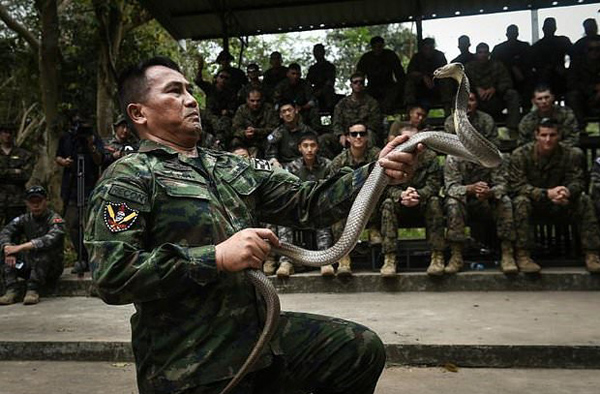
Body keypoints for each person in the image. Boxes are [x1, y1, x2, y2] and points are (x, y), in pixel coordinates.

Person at [85, 56, 419, 394]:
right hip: (191, 363)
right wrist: (215, 257)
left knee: (358, 349)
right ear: (139, 113)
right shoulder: (128, 176)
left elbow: (307, 202)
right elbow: (113, 276)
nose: (190, 99)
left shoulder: (229, 165)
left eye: (189, 89)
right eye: (174, 91)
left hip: (258, 340)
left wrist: (377, 172)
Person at [509, 118, 600, 274]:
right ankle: (523, 254)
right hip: (535, 202)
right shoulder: (521, 155)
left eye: (552, 135)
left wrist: (567, 192)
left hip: (562, 201)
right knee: (520, 202)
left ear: (559, 135)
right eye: (544, 135)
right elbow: (518, 186)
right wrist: (546, 194)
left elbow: (578, 181)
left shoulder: (572, 154)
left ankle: (592, 253)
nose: (548, 139)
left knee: (584, 200)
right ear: (536, 135)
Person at [380, 126, 445, 277]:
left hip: (423, 202)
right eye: (406, 140)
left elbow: (434, 185)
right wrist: (402, 195)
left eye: (415, 139)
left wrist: (417, 195)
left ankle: (437, 256)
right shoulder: (391, 157)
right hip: (400, 202)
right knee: (387, 204)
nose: (411, 143)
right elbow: (385, 188)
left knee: (435, 202)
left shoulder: (430, 157)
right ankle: (389, 258)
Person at [444, 153, 518, 275]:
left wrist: (489, 192)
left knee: (505, 201)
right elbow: (451, 188)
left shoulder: (496, 156)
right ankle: (456, 255)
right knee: (452, 203)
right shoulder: (454, 157)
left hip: (488, 203)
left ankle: (507, 253)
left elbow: (503, 186)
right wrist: (470, 189)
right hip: (464, 203)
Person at [273, 132, 335, 277]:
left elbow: (333, 189)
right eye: (305, 146)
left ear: (317, 147)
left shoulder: (327, 165)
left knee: (323, 216)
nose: (309, 149)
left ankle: (325, 261)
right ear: (299, 148)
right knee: (283, 218)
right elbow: (285, 190)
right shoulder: (292, 167)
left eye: (312, 145)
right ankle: (286, 262)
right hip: (298, 208)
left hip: (320, 206)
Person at [328, 123, 384, 276]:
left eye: (362, 133)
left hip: (372, 201)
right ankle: (343, 259)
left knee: (384, 199)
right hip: (347, 204)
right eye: (354, 134)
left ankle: (374, 230)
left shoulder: (377, 156)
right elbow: (333, 189)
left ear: (367, 136)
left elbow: (382, 181)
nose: (358, 137)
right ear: (347, 138)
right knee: (336, 214)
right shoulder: (339, 162)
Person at [0, 186, 66, 305]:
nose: (36, 205)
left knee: (42, 251)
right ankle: (11, 289)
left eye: (39, 202)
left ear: (46, 201)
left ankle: (33, 290)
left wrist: (20, 247)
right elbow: (6, 231)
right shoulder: (24, 219)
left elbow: (50, 239)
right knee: (6, 252)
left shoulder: (55, 219)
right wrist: (8, 248)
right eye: (32, 202)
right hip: (29, 265)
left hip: (50, 267)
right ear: (27, 203)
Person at [56, 115, 104, 275]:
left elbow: (100, 160)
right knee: (72, 223)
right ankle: (80, 257)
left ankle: (92, 259)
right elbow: (58, 156)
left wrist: (91, 146)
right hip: (71, 186)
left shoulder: (93, 137)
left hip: (89, 186)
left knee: (91, 225)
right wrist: (63, 161)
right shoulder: (66, 138)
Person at [465, 42, 521, 135]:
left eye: (485, 52)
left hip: (496, 99)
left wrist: (495, 89)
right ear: (476, 54)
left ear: (489, 54)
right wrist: (476, 89)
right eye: (480, 52)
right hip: (477, 102)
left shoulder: (498, 65)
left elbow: (507, 82)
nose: (483, 55)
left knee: (512, 94)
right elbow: (461, 84)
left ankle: (512, 129)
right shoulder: (468, 67)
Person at [332, 72, 383, 147]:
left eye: (361, 82)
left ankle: (370, 158)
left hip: (363, 134)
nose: (358, 84)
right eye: (355, 82)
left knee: (370, 136)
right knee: (324, 139)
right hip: (346, 134)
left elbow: (375, 123)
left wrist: (358, 132)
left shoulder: (372, 103)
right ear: (351, 85)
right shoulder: (342, 104)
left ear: (364, 85)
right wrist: (341, 134)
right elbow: (337, 122)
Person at [356, 36, 405, 114]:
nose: (378, 49)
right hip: (372, 87)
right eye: (375, 47)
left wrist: (400, 88)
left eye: (380, 46)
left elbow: (400, 74)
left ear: (383, 46)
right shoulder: (366, 58)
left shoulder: (390, 55)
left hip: (389, 86)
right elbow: (359, 76)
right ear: (372, 47)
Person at [404, 38, 452, 115]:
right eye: (426, 48)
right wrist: (423, 76)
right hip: (421, 89)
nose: (429, 51)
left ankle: (447, 111)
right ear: (423, 49)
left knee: (446, 81)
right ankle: (409, 110)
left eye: (431, 48)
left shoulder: (439, 56)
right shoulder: (417, 57)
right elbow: (410, 73)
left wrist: (433, 77)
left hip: (437, 87)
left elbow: (445, 71)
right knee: (410, 83)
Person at [491, 25, 533, 112]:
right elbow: (493, 68)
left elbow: (530, 64)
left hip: (523, 83)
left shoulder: (524, 47)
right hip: (502, 84)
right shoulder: (499, 49)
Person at [0, 123, 34, 226]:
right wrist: (14, 171)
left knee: (14, 233)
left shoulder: (24, 154)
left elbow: (25, 176)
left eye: (10, 132)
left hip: (16, 202)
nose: (7, 135)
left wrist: (3, 172)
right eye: (5, 132)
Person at [265, 100, 316, 167]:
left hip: (304, 165)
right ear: (280, 115)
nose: (287, 114)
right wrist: (274, 161)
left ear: (296, 110)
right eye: (284, 112)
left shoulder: (307, 131)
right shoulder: (277, 133)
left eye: (289, 110)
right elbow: (271, 154)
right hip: (285, 167)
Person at [530, 17, 572, 97]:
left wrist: (567, 72)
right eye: (548, 27)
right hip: (545, 78)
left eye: (550, 27)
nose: (549, 30)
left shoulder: (537, 46)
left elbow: (575, 56)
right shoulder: (562, 41)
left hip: (557, 77)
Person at [231, 89, 279, 158]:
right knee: (235, 141)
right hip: (246, 140)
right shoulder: (242, 109)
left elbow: (274, 128)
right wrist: (244, 133)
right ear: (247, 100)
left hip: (263, 139)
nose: (255, 103)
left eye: (258, 101)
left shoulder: (268, 109)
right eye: (252, 101)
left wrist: (256, 131)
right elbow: (235, 128)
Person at [566, 37, 600, 130]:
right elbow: (571, 83)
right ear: (585, 50)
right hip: (584, 98)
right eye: (591, 49)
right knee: (572, 96)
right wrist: (593, 88)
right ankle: (580, 129)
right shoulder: (577, 64)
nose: (595, 52)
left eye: (598, 49)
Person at [273, 63, 320, 130]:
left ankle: (315, 130)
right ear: (287, 74)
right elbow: (276, 102)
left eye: (297, 74)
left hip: (302, 110)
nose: (295, 76)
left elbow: (312, 101)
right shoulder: (281, 86)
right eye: (293, 73)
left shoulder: (305, 84)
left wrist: (302, 107)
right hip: (285, 110)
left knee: (314, 109)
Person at [307, 43, 337, 113]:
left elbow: (330, 82)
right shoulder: (313, 68)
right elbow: (308, 82)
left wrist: (321, 91)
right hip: (315, 92)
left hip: (327, 92)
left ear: (323, 52)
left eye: (319, 51)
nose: (317, 54)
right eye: (315, 52)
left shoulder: (330, 66)